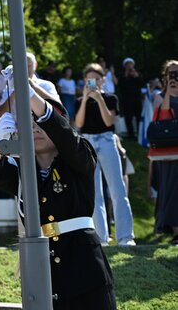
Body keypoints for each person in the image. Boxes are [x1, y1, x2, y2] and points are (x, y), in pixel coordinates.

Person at [0, 81, 116, 310]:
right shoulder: (24, 170)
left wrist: (29, 91)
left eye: (40, 121)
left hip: (83, 267)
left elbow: (64, 135)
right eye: (28, 122)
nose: (34, 127)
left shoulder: (80, 154)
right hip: (42, 268)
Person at [73, 63, 135, 245]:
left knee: (118, 189)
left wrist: (99, 99)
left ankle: (125, 237)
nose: (93, 83)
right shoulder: (80, 101)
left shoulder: (110, 98)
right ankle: (101, 238)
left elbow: (109, 121)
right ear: (85, 81)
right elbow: (78, 123)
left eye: (97, 79)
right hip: (87, 142)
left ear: (103, 80)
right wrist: (86, 98)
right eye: (90, 80)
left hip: (107, 140)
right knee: (94, 193)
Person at [148, 60, 178, 245]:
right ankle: (175, 230)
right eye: (171, 73)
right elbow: (162, 116)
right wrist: (169, 91)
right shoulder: (160, 96)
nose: (174, 77)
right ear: (165, 76)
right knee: (171, 189)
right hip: (168, 151)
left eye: (177, 73)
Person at [117, 57, 144, 140]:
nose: (129, 66)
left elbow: (141, 83)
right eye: (127, 64)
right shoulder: (122, 76)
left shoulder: (137, 74)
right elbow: (120, 86)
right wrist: (126, 75)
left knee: (138, 117)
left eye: (131, 64)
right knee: (128, 118)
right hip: (127, 99)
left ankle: (140, 133)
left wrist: (136, 76)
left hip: (137, 99)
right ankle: (131, 135)